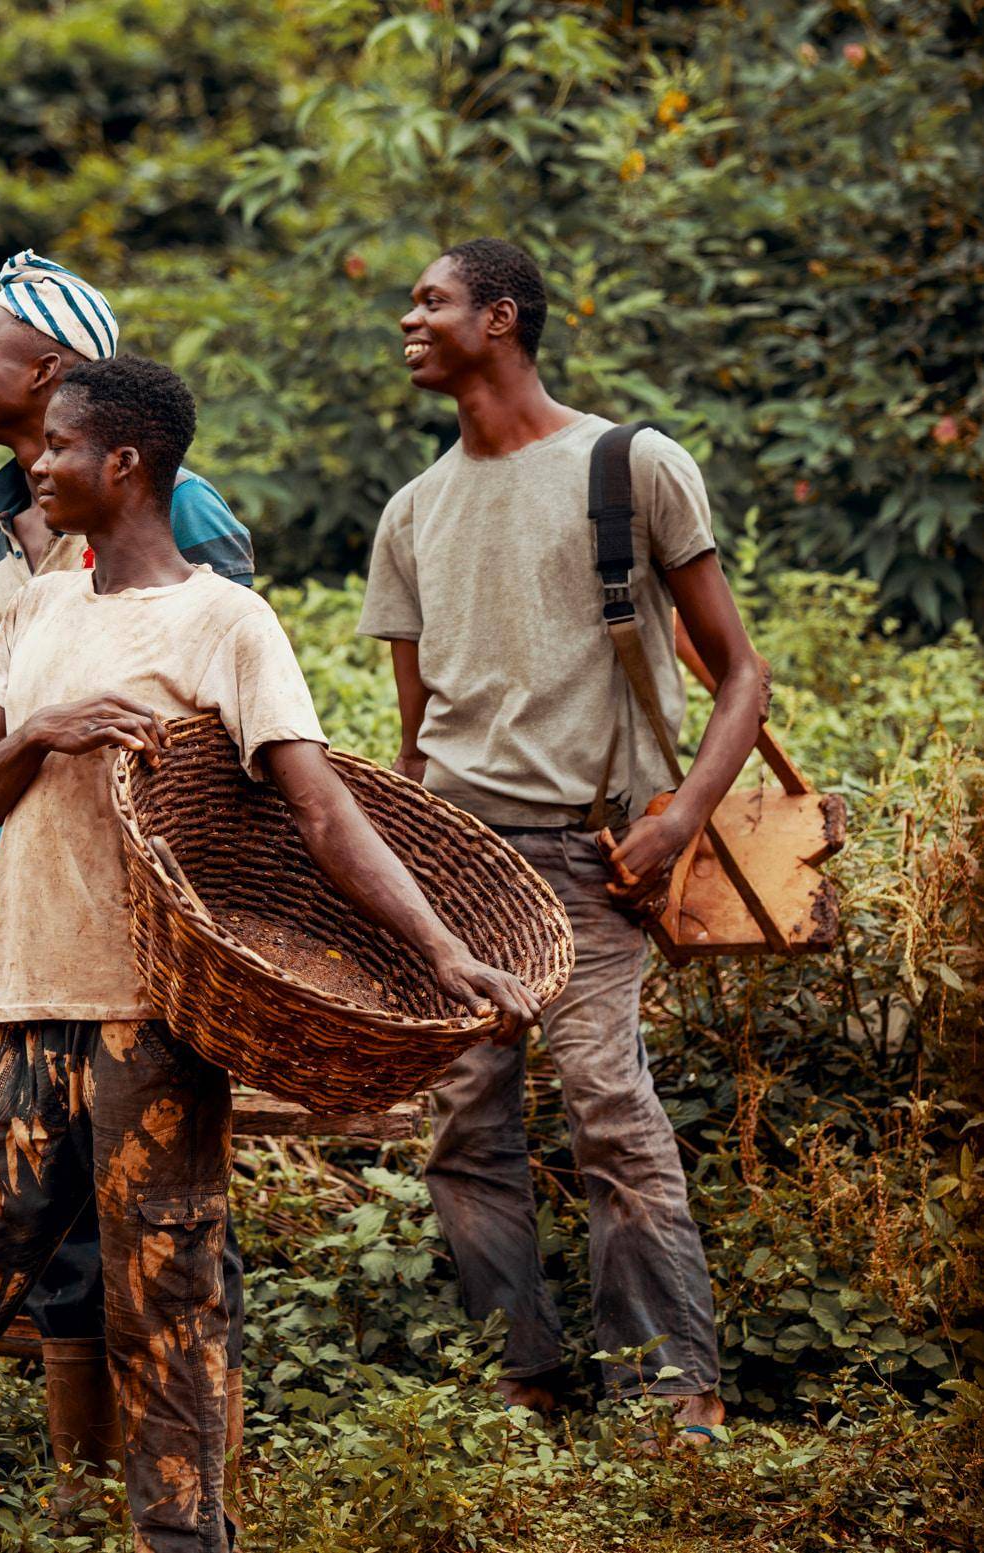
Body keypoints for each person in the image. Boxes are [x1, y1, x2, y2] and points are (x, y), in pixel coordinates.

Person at [0, 352, 540, 1552]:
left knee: (168, 1318)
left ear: (125, 461)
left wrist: (448, 949)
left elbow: (322, 814)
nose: (36, 463)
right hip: (21, 1016)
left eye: (56, 445)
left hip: (152, 1027)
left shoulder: (225, 621)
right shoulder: (34, 604)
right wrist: (44, 731)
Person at [358, 238, 762, 1440]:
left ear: (501, 316)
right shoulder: (410, 512)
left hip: (595, 856)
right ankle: (519, 1376)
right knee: (464, 1124)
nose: (407, 319)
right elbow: (414, 735)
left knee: (607, 1106)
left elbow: (741, 676)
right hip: (459, 863)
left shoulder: (629, 464)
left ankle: (669, 1390)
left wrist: (677, 819)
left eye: (430, 301)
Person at [0, 248, 253, 1496]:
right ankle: (85, 1477)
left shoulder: (181, 515)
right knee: (50, 1198)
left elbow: (218, 719)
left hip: (140, 920)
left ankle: (188, 1479)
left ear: (58, 376)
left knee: (166, 1207)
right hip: (21, 902)